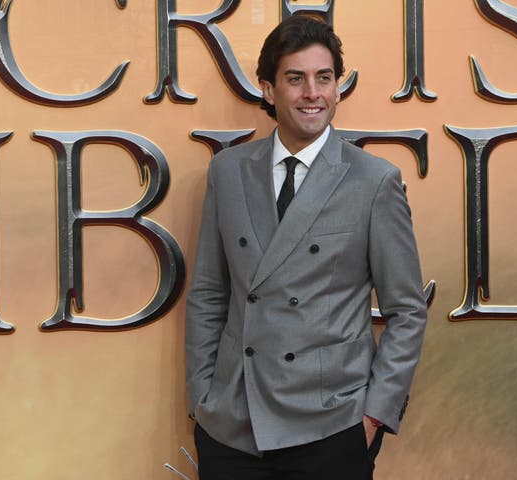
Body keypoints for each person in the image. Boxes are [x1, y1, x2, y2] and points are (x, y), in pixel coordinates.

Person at [185, 15, 427, 480]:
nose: (311, 93)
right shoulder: (228, 172)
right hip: (234, 424)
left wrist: (374, 414)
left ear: (337, 88)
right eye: (295, 79)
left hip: (331, 425)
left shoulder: (373, 181)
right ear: (268, 90)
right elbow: (209, 294)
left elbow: (407, 309)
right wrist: (203, 398)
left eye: (324, 78)